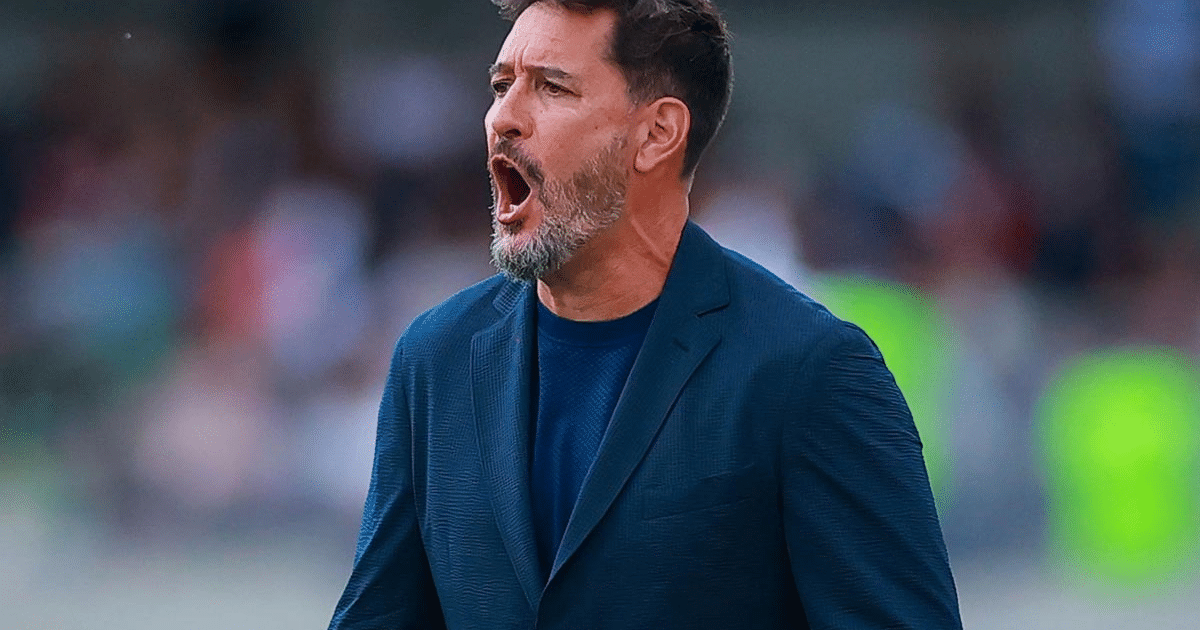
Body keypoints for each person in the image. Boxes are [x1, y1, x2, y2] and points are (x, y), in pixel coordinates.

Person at [328, 1, 962, 628]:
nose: (504, 118)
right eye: (500, 85)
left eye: (552, 88)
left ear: (658, 133)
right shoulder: (436, 358)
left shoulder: (808, 372)